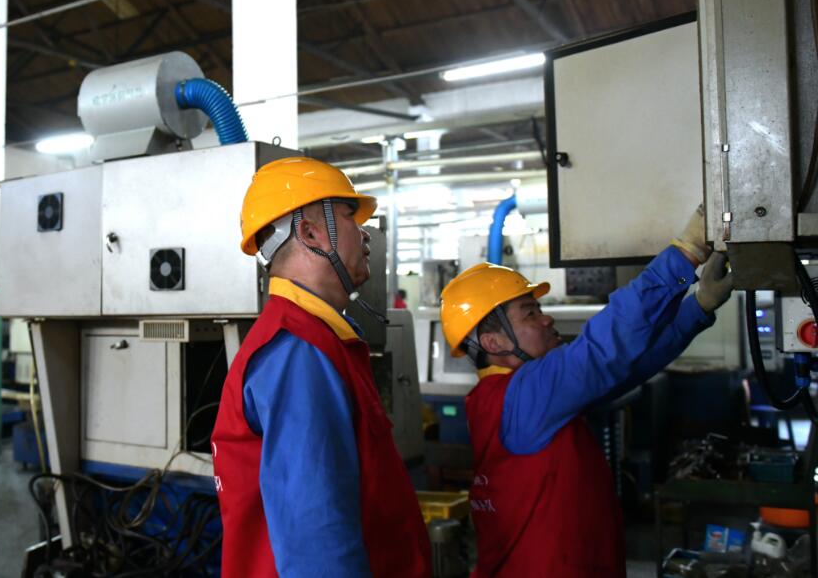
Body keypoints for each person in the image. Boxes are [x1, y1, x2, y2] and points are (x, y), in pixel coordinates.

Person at [439, 206, 734, 577]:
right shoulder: (524, 396)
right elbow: (605, 344)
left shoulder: (510, 398)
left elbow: (626, 367)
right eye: (530, 313)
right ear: (493, 342)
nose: (546, 318)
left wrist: (697, 307)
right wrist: (686, 253)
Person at [211, 157, 430, 578]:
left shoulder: (317, 340)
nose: (364, 233)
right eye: (350, 216)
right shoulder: (299, 351)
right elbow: (318, 541)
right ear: (310, 232)